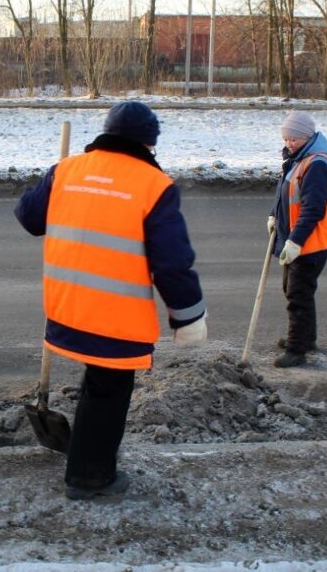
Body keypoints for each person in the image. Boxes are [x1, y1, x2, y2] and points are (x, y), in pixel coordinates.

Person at [15, 101, 207, 500]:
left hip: (68, 307)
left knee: (98, 382)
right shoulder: (154, 186)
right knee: (109, 390)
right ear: (149, 145)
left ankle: (86, 460)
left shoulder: (67, 170)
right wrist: (188, 316)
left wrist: (52, 183)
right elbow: (172, 262)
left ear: (105, 133)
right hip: (115, 318)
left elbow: (29, 217)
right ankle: (89, 478)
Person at [268, 111, 327, 368]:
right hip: (296, 239)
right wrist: (274, 216)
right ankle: (305, 338)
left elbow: (313, 209)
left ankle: (297, 350)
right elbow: (285, 193)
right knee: (296, 291)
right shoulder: (298, 158)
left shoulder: (317, 165)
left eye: (294, 139)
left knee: (298, 295)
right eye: (286, 138)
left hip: (310, 244)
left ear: (307, 137)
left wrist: (296, 241)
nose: (289, 143)